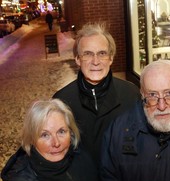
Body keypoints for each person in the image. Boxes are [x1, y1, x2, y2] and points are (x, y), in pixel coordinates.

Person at [53, 22, 140, 167]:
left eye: (102, 53)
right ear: (77, 59)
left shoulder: (131, 94)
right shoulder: (62, 101)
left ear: (111, 58)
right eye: (87, 54)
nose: (95, 62)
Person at [0, 99, 101, 181]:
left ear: (71, 133)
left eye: (61, 131)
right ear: (31, 139)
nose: (56, 143)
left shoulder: (83, 159)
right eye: (45, 135)